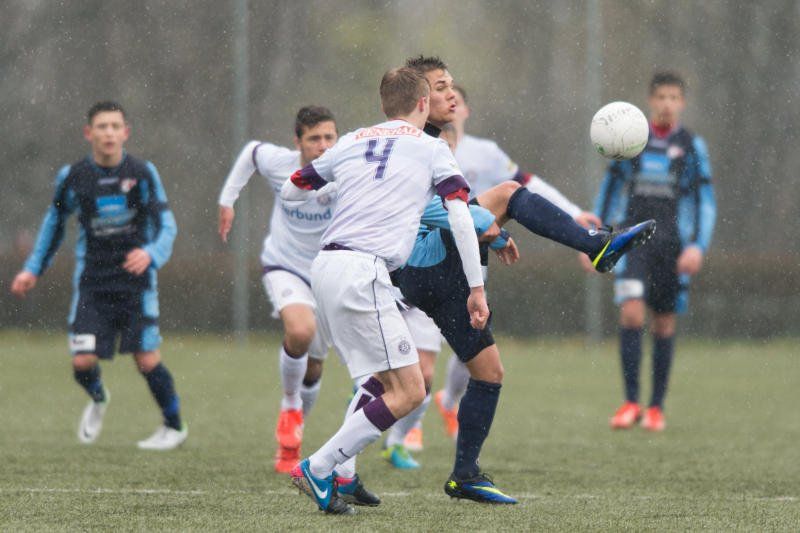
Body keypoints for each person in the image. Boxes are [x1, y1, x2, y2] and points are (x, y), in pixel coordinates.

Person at [392, 55, 656, 503]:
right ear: (419, 98)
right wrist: (489, 228)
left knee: (488, 373)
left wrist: (487, 227)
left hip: (432, 272)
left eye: (452, 85)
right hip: (421, 261)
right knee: (509, 196)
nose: (452, 94)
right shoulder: (417, 146)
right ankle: (596, 247)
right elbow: (429, 210)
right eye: (441, 87)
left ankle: (463, 475)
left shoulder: (433, 143)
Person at [284, 66, 487, 515]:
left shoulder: (351, 140)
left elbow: (293, 187)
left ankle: (342, 473)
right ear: (422, 104)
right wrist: (477, 287)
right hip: (363, 271)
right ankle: (320, 466)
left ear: (383, 105)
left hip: (327, 267)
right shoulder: (432, 147)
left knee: (379, 382)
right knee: (411, 390)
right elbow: (459, 216)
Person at [10, 101, 186, 450]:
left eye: (115, 126)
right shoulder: (74, 177)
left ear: (126, 132)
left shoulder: (142, 173)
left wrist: (151, 253)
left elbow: (167, 224)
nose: (109, 133)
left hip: (136, 285)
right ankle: (98, 396)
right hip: (92, 284)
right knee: (82, 362)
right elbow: (54, 223)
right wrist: (32, 268)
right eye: (102, 126)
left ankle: (174, 426)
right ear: (88, 133)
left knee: (146, 359)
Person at [585, 71, 716, 432]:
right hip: (633, 241)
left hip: (672, 245)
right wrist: (595, 239)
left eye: (674, 98)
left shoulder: (691, 146)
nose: (667, 104)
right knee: (631, 313)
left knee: (664, 322)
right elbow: (610, 191)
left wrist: (697, 246)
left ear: (682, 103)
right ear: (650, 100)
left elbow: (704, 201)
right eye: (661, 97)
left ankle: (656, 407)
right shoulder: (630, 141)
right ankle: (630, 402)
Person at [217, 106, 339, 473]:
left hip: (328, 271)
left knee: (314, 367)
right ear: (297, 142)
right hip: (284, 265)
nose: (323, 145)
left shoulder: (346, 166)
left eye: (329, 137)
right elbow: (251, 152)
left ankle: (292, 440)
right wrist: (227, 200)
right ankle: (289, 404)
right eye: (314, 138)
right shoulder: (280, 163)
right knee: (300, 331)